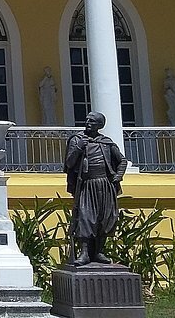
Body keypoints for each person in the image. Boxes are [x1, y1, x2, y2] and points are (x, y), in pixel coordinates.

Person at [63, 111, 127, 266]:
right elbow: (69, 163)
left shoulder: (106, 142)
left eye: (92, 121)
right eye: (87, 120)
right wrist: (79, 148)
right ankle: (84, 253)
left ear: (100, 125)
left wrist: (118, 176)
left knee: (105, 217)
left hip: (105, 184)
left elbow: (122, 161)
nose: (87, 123)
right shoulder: (77, 140)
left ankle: (98, 251)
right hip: (87, 184)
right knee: (85, 217)